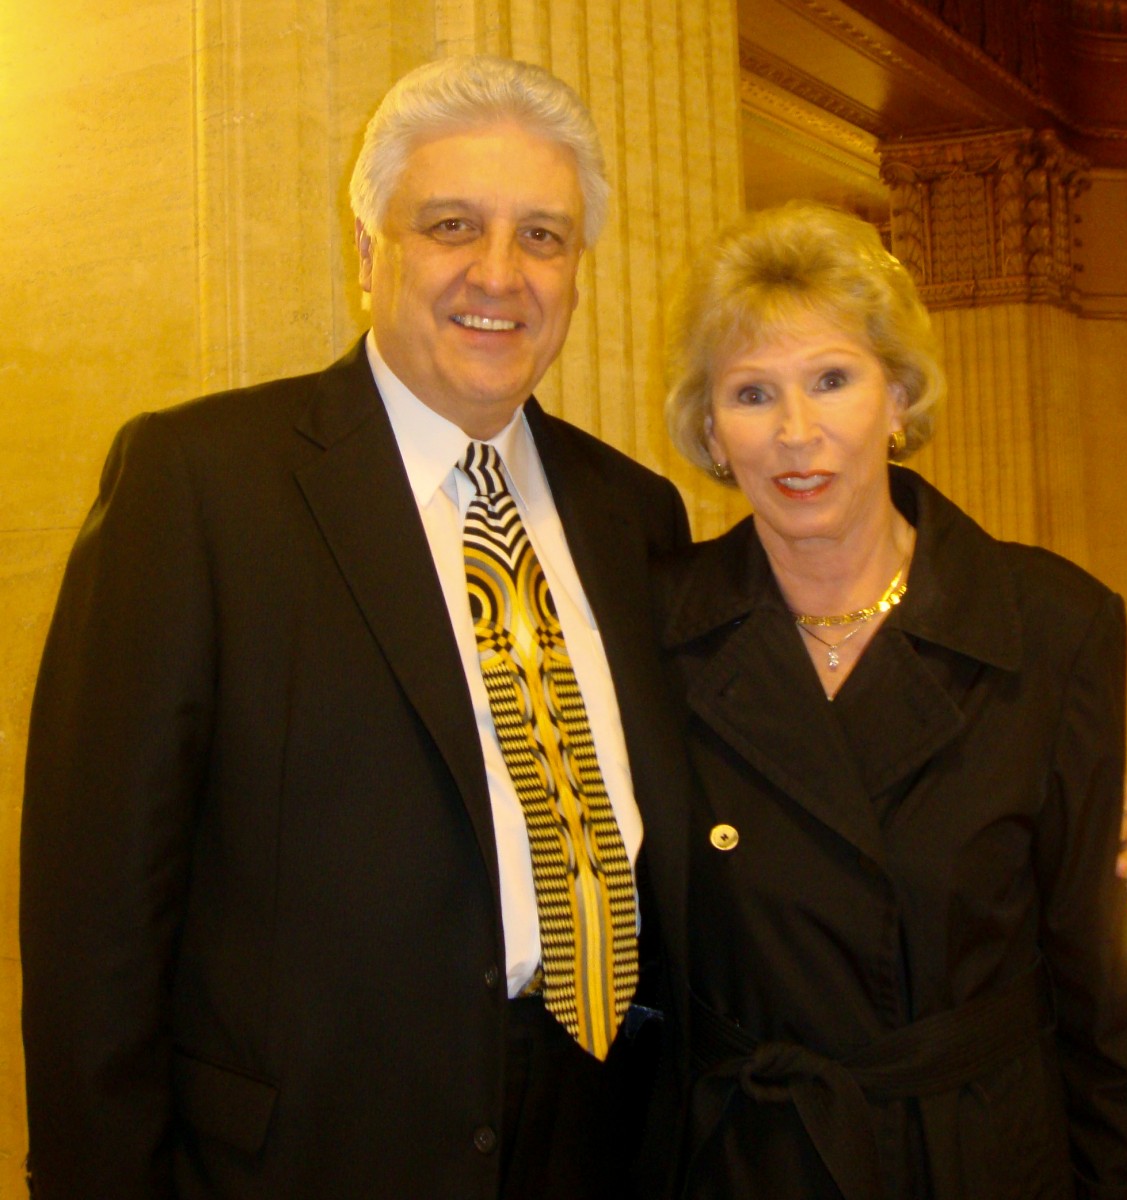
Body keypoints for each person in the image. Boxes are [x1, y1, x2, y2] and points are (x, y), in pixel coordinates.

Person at [20, 55, 692, 1199]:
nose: (499, 273)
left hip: (601, 1134)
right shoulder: (201, 484)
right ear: (370, 249)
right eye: (450, 225)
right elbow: (96, 920)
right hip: (311, 1154)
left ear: (577, 272)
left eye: (542, 237)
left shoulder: (636, 514)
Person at [658, 200, 1127, 1199]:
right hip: (743, 1162)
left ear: (897, 398)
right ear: (711, 429)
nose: (795, 434)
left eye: (831, 380)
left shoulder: (1050, 625)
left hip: (974, 1154)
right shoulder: (648, 626)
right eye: (751, 393)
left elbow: (1097, 984)